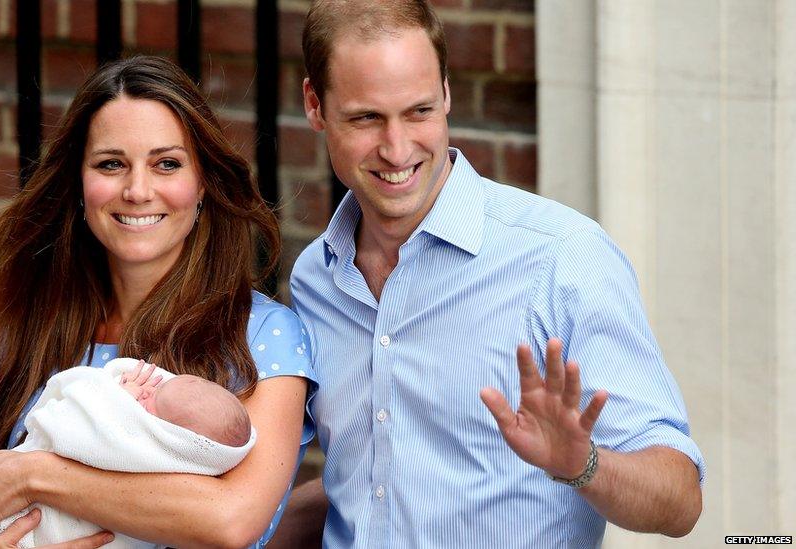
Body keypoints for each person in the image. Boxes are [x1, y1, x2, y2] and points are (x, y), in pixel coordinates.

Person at [277, 1, 705, 547]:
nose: (397, 147)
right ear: (315, 105)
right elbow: (362, 485)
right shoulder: (319, 276)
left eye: (419, 111)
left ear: (447, 93)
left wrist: (585, 465)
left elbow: (681, 500)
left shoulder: (563, 257)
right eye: (366, 118)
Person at [0, 55, 317, 549]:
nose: (137, 190)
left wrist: (35, 475)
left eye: (167, 163)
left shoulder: (263, 335)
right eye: (111, 164)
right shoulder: (28, 329)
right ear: (79, 185)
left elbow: (230, 520)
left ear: (203, 182)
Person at [0, 359, 257, 549]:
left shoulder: (149, 451)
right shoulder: (21, 328)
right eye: (159, 386)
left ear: (173, 437)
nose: (147, 389)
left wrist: (113, 400)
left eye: (154, 401)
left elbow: (77, 435)